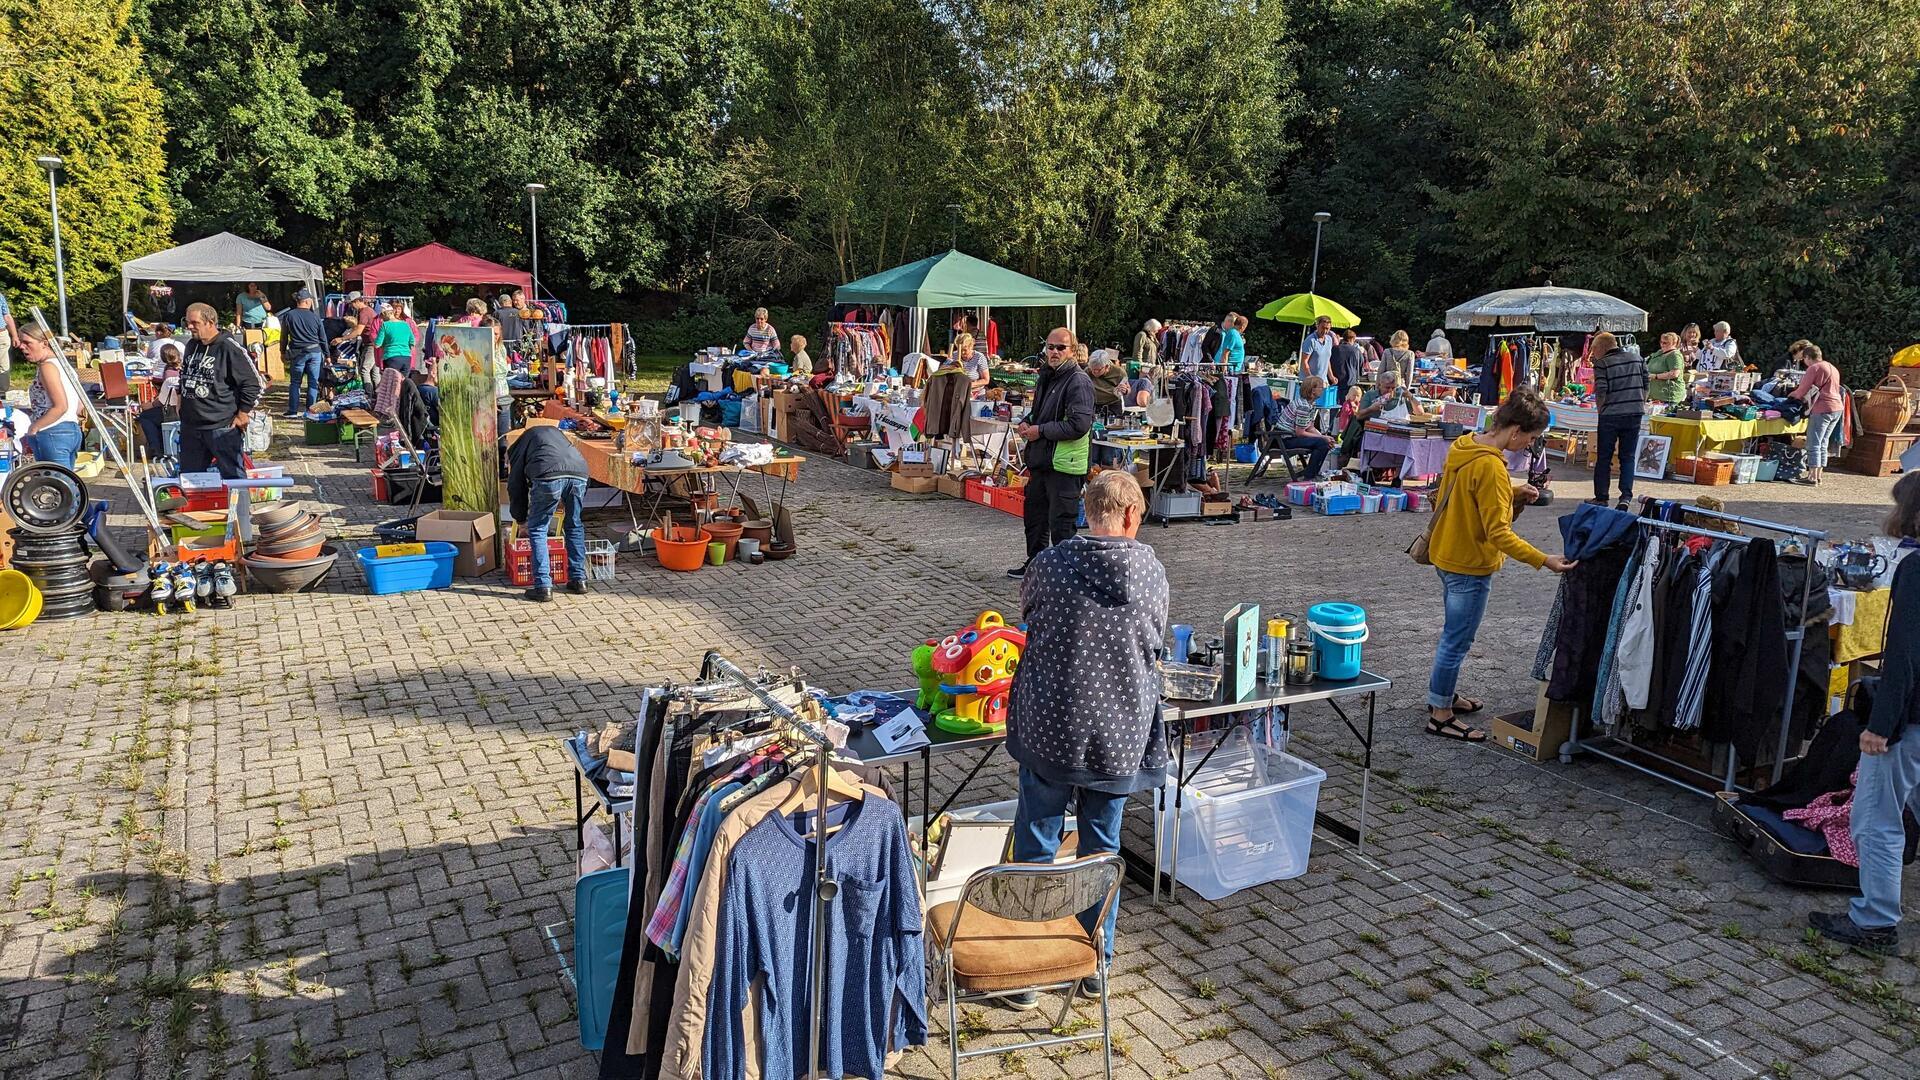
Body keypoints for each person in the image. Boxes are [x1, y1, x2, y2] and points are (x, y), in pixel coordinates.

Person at [1006, 470, 1167, 996]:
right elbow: (1157, 638)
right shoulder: (1150, 570)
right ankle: (1095, 960)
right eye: (1139, 518)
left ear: (1087, 512)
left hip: (1050, 724)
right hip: (1118, 731)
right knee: (1101, 848)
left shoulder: (1049, 564)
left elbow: (1029, 615)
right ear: (1127, 515)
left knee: (1036, 841)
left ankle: (1031, 965)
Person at [1809, 473, 1920, 954]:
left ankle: (1875, 921)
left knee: (1876, 818)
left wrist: (1881, 726)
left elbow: (1905, 654)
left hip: (1910, 718)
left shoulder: (1916, 568)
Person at [1424, 389, 1576, 740]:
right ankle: (1440, 715)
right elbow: (1499, 535)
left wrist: (1512, 493)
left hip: (1445, 554)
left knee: (1453, 636)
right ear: (1516, 431)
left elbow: (1467, 496)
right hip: (1470, 565)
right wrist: (1544, 560)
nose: (1529, 446)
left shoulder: (1466, 446)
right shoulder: (1492, 466)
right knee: (1456, 641)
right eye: (1532, 439)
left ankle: (1441, 696)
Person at [1011, 327, 1094, 579]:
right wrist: (1027, 421)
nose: (1055, 352)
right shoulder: (1047, 376)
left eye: (1061, 347)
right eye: (1051, 347)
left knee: (1062, 524)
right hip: (1042, 460)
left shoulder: (1078, 381)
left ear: (1072, 351)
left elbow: (1079, 425)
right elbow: (1041, 412)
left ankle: (1065, 573)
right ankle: (1036, 565)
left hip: (1065, 465)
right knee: (1035, 519)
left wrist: (1041, 431)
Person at [507, 421, 590, 602]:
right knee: (574, 524)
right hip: (580, 473)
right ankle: (579, 579)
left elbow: (516, 486)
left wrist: (521, 520)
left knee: (537, 529)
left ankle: (543, 586)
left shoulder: (518, 448)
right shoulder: (556, 436)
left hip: (548, 475)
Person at [177, 302, 261, 478]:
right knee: (190, 478)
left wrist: (243, 414)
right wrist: (180, 400)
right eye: (187, 322)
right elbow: (185, 374)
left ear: (210, 322)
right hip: (191, 426)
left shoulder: (229, 347)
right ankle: (201, 506)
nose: (189, 327)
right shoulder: (192, 345)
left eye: (194, 323)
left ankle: (239, 506)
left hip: (221, 426)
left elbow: (253, 382)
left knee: (233, 477)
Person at [1589, 331, 1647, 508]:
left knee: (1604, 457)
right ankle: (1625, 497)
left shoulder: (1602, 363)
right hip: (1634, 413)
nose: (1593, 354)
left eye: (1594, 350)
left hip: (1611, 415)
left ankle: (1601, 497)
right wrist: (1639, 404)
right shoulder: (1638, 359)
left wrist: (1601, 411)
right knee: (1627, 456)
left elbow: (1601, 391)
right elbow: (1646, 385)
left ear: (1600, 348)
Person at [19, 325, 82, 469]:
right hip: (71, 430)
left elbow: (61, 406)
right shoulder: (64, 365)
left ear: (44, 344)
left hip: (52, 432)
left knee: (56, 485)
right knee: (66, 485)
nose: (22, 347)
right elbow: (79, 404)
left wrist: (34, 427)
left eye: (27, 343)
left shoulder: (47, 367)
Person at [1789, 344, 1845, 486]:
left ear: (1808, 357)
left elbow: (1802, 390)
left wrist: (1791, 395)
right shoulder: (1832, 368)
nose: (1804, 362)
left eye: (1804, 359)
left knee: (1813, 443)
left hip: (1822, 408)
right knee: (1823, 443)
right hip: (1837, 408)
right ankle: (1819, 475)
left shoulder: (1813, 368)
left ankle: (1811, 477)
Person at [278, 289, 327, 417]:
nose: (311, 302)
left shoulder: (289, 315)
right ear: (306, 301)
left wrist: (282, 352)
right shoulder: (315, 316)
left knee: (295, 382)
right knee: (313, 382)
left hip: (298, 352)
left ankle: (293, 411)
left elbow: (284, 336)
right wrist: (327, 355)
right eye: (310, 300)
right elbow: (323, 338)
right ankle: (310, 411)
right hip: (315, 352)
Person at [1277, 375, 1335, 478]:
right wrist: (1322, 438)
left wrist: (1325, 437)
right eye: (1321, 387)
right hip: (1284, 439)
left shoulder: (1309, 404)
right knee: (1322, 443)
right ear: (1313, 390)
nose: (1323, 389)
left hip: (1291, 436)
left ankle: (1312, 473)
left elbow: (1310, 427)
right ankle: (1310, 475)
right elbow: (1300, 432)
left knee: (1325, 442)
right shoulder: (1303, 406)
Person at [138, 341, 182, 458]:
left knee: (145, 416)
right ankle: (161, 446)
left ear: (163, 358)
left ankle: (156, 450)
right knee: (153, 415)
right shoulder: (181, 369)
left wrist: (149, 405)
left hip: (172, 411)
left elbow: (162, 401)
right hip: (181, 408)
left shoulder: (169, 374)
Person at [1644, 331, 1688, 408]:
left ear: (1674, 343)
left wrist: (1655, 376)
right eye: (1661, 342)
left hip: (1669, 397)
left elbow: (1675, 373)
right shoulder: (1658, 353)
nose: (1662, 344)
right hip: (1655, 397)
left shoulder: (1675, 355)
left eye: (1665, 343)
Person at [375, 299, 416, 374]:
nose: (380, 318)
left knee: (391, 383)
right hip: (406, 358)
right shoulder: (405, 324)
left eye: (380, 316)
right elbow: (412, 342)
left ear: (384, 314)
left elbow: (377, 344)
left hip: (391, 357)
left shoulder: (385, 325)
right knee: (402, 383)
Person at [1329, 328, 1365, 400]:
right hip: (1350, 383)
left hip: (1334, 381)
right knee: (1347, 406)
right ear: (1353, 339)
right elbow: (1361, 369)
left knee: (1333, 405)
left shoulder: (1333, 349)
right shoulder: (1357, 351)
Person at [1300, 315, 1335, 381]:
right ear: (1317, 326)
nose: (1325, 331)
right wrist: (1311, 378)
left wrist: (1331, 376)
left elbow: (1327, 360)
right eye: (1323, 328)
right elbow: (1304, 361)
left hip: (1323, 381)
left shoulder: (1329, 340)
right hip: (1309, 382)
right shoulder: (1310, 340)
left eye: (1327, 328)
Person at [0, 288, 18, 369]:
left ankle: (4, 382)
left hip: (1, 336)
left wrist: (15, 336)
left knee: (4, 367)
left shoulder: (0, 296)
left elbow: (7, 316)